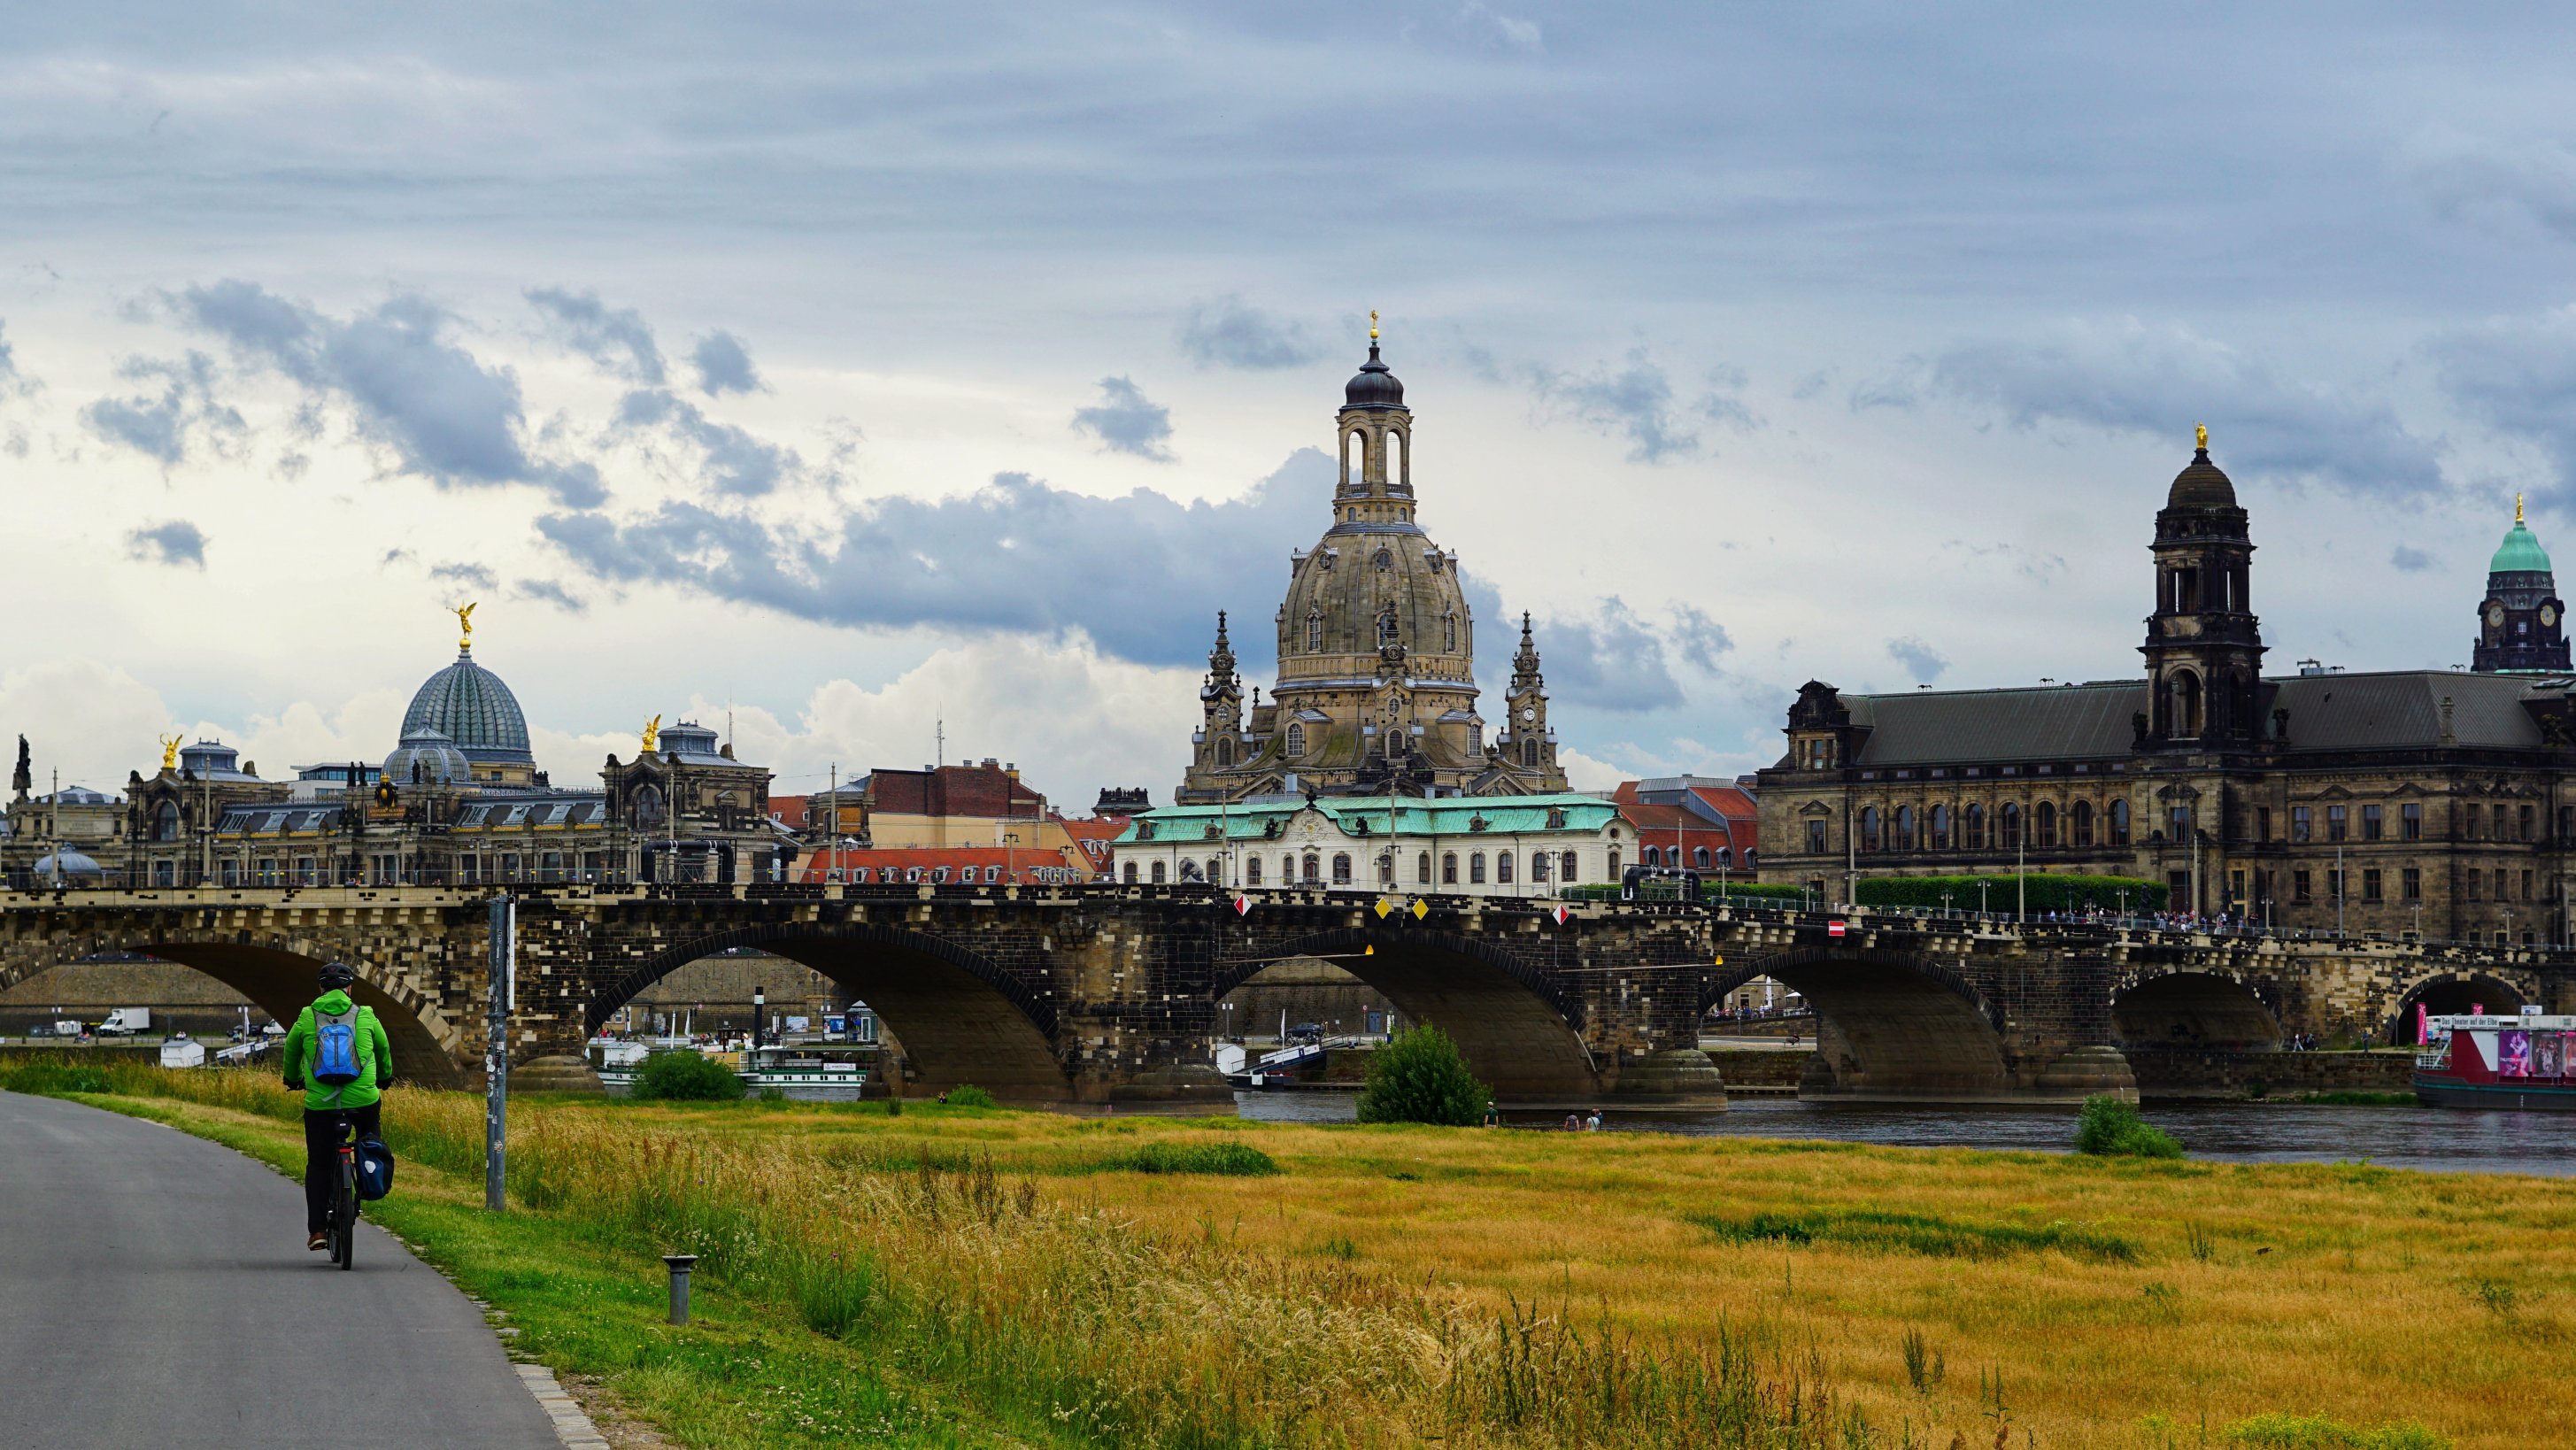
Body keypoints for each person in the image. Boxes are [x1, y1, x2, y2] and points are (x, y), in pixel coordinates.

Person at [281, 962, 394, 1251]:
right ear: (349, 989)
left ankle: (318, 1230)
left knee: (318, 1163)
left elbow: (291, 1050)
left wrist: (292, 1079)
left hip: (320, 1103)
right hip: (363, 1101)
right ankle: (371, 1183)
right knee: (371, 1140)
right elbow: (383, 1049)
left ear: (320, 989)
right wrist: (383, 1078)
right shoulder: (365, 1014)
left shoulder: (307, 1017)